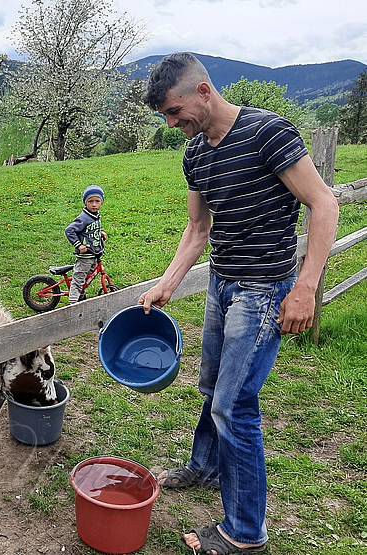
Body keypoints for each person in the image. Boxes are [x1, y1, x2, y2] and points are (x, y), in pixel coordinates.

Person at [139, 53, 339, 554]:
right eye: (165, 115)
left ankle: (247, 535)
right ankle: (205, 467)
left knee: (234, 406)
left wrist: (306, 288)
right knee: (210, 386)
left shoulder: (268, 133)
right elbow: (198, 229)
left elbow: (323, 203)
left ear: (203, 92)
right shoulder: (195, 154)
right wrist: (168, 281)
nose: (171, 123)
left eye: (174, 110)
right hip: (222, 285)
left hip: (264, 291)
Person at [65, 185, 108, 303]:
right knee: (78, 279)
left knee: (88, 275)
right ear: (85, 203)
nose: (94, 204)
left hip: (94, 254)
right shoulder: (84, 218)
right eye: (90, 201)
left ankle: (81, 294)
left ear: (102, 202)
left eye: (97, 201)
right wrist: (78, 245)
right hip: (85, 255)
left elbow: (93, 228)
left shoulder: (96, 215)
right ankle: (73, 303)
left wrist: (101, 232)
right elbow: (69, 230)